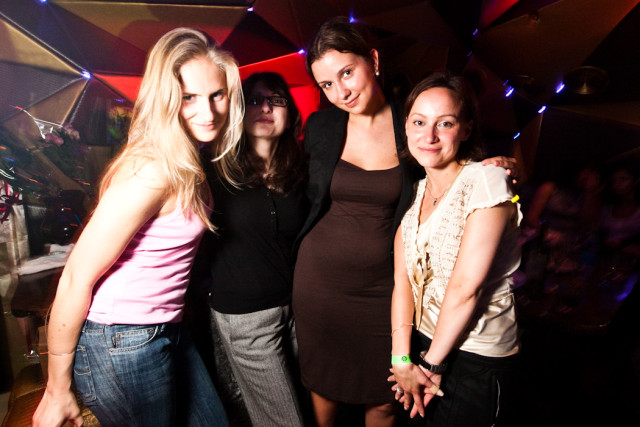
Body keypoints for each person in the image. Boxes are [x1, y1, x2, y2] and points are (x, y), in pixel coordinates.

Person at [292, 17, 517, 427]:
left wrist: (504, 163)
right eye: (326, 84)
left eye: (347, 73)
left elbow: (455, 157)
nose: (341, 91)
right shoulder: (321, 126)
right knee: (323, 391)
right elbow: (295, 192)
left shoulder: (414, 122)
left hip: (387, 289)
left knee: (385, 398)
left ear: (374, 61)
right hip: (319, 286)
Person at [32, 27, 244, 427]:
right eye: (189, 97)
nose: (209, 112)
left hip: (165, 328)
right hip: (121, 341)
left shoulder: (185, 157)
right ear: (166, 99)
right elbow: (76, 276)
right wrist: (57, 389)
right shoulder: (152, 168)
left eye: (217, 95)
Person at [390, 73, 521, 426]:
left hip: (475, 355)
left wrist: (431, 365)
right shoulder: (416, 191)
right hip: (422, 343)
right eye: (419, 122)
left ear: (466, 129)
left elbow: (466, 288)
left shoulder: (487, 179)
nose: (429, 135)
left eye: (445, 123)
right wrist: (402, 360)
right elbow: (403, 281)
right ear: (406, 126)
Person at [204, 71, 308, 426]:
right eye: (255, 100)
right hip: (246, 316)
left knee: (309, 404)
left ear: (290, 114)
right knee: (284, 420)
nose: (265, 108)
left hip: (297, 310)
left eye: (276, 100)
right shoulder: (215, 169)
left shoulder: (301, 172)